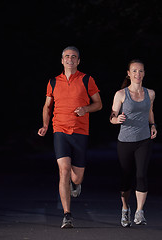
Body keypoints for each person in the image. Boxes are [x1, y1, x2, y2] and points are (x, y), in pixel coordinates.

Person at [38, 46, 102, 228]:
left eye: (74, 57)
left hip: (80, 132)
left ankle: (76, 184)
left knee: (77, 178)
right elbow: (47, 106)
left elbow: (98, 104)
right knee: (64, 170)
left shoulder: (86, 79)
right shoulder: (53, 82)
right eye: (67, 57)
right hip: (60, 130)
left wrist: (86, 109)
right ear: (62, 60)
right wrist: (45, 125)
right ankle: (67, 214)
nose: (70, 60)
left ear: (78, 61)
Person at [109, 59, 157, 227]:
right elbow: (112, 116)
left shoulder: (150, 93)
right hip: (125, 142)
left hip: (144, 140)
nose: (138, 74)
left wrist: (153, 125)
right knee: (126, 178)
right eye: (134, 71)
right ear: (129, 74)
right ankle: (125, 209)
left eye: (141, 71)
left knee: (141, 175)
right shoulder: (121, 94)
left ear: (144, 73)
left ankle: (139, 212)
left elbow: (150, 111)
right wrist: (117, 120)